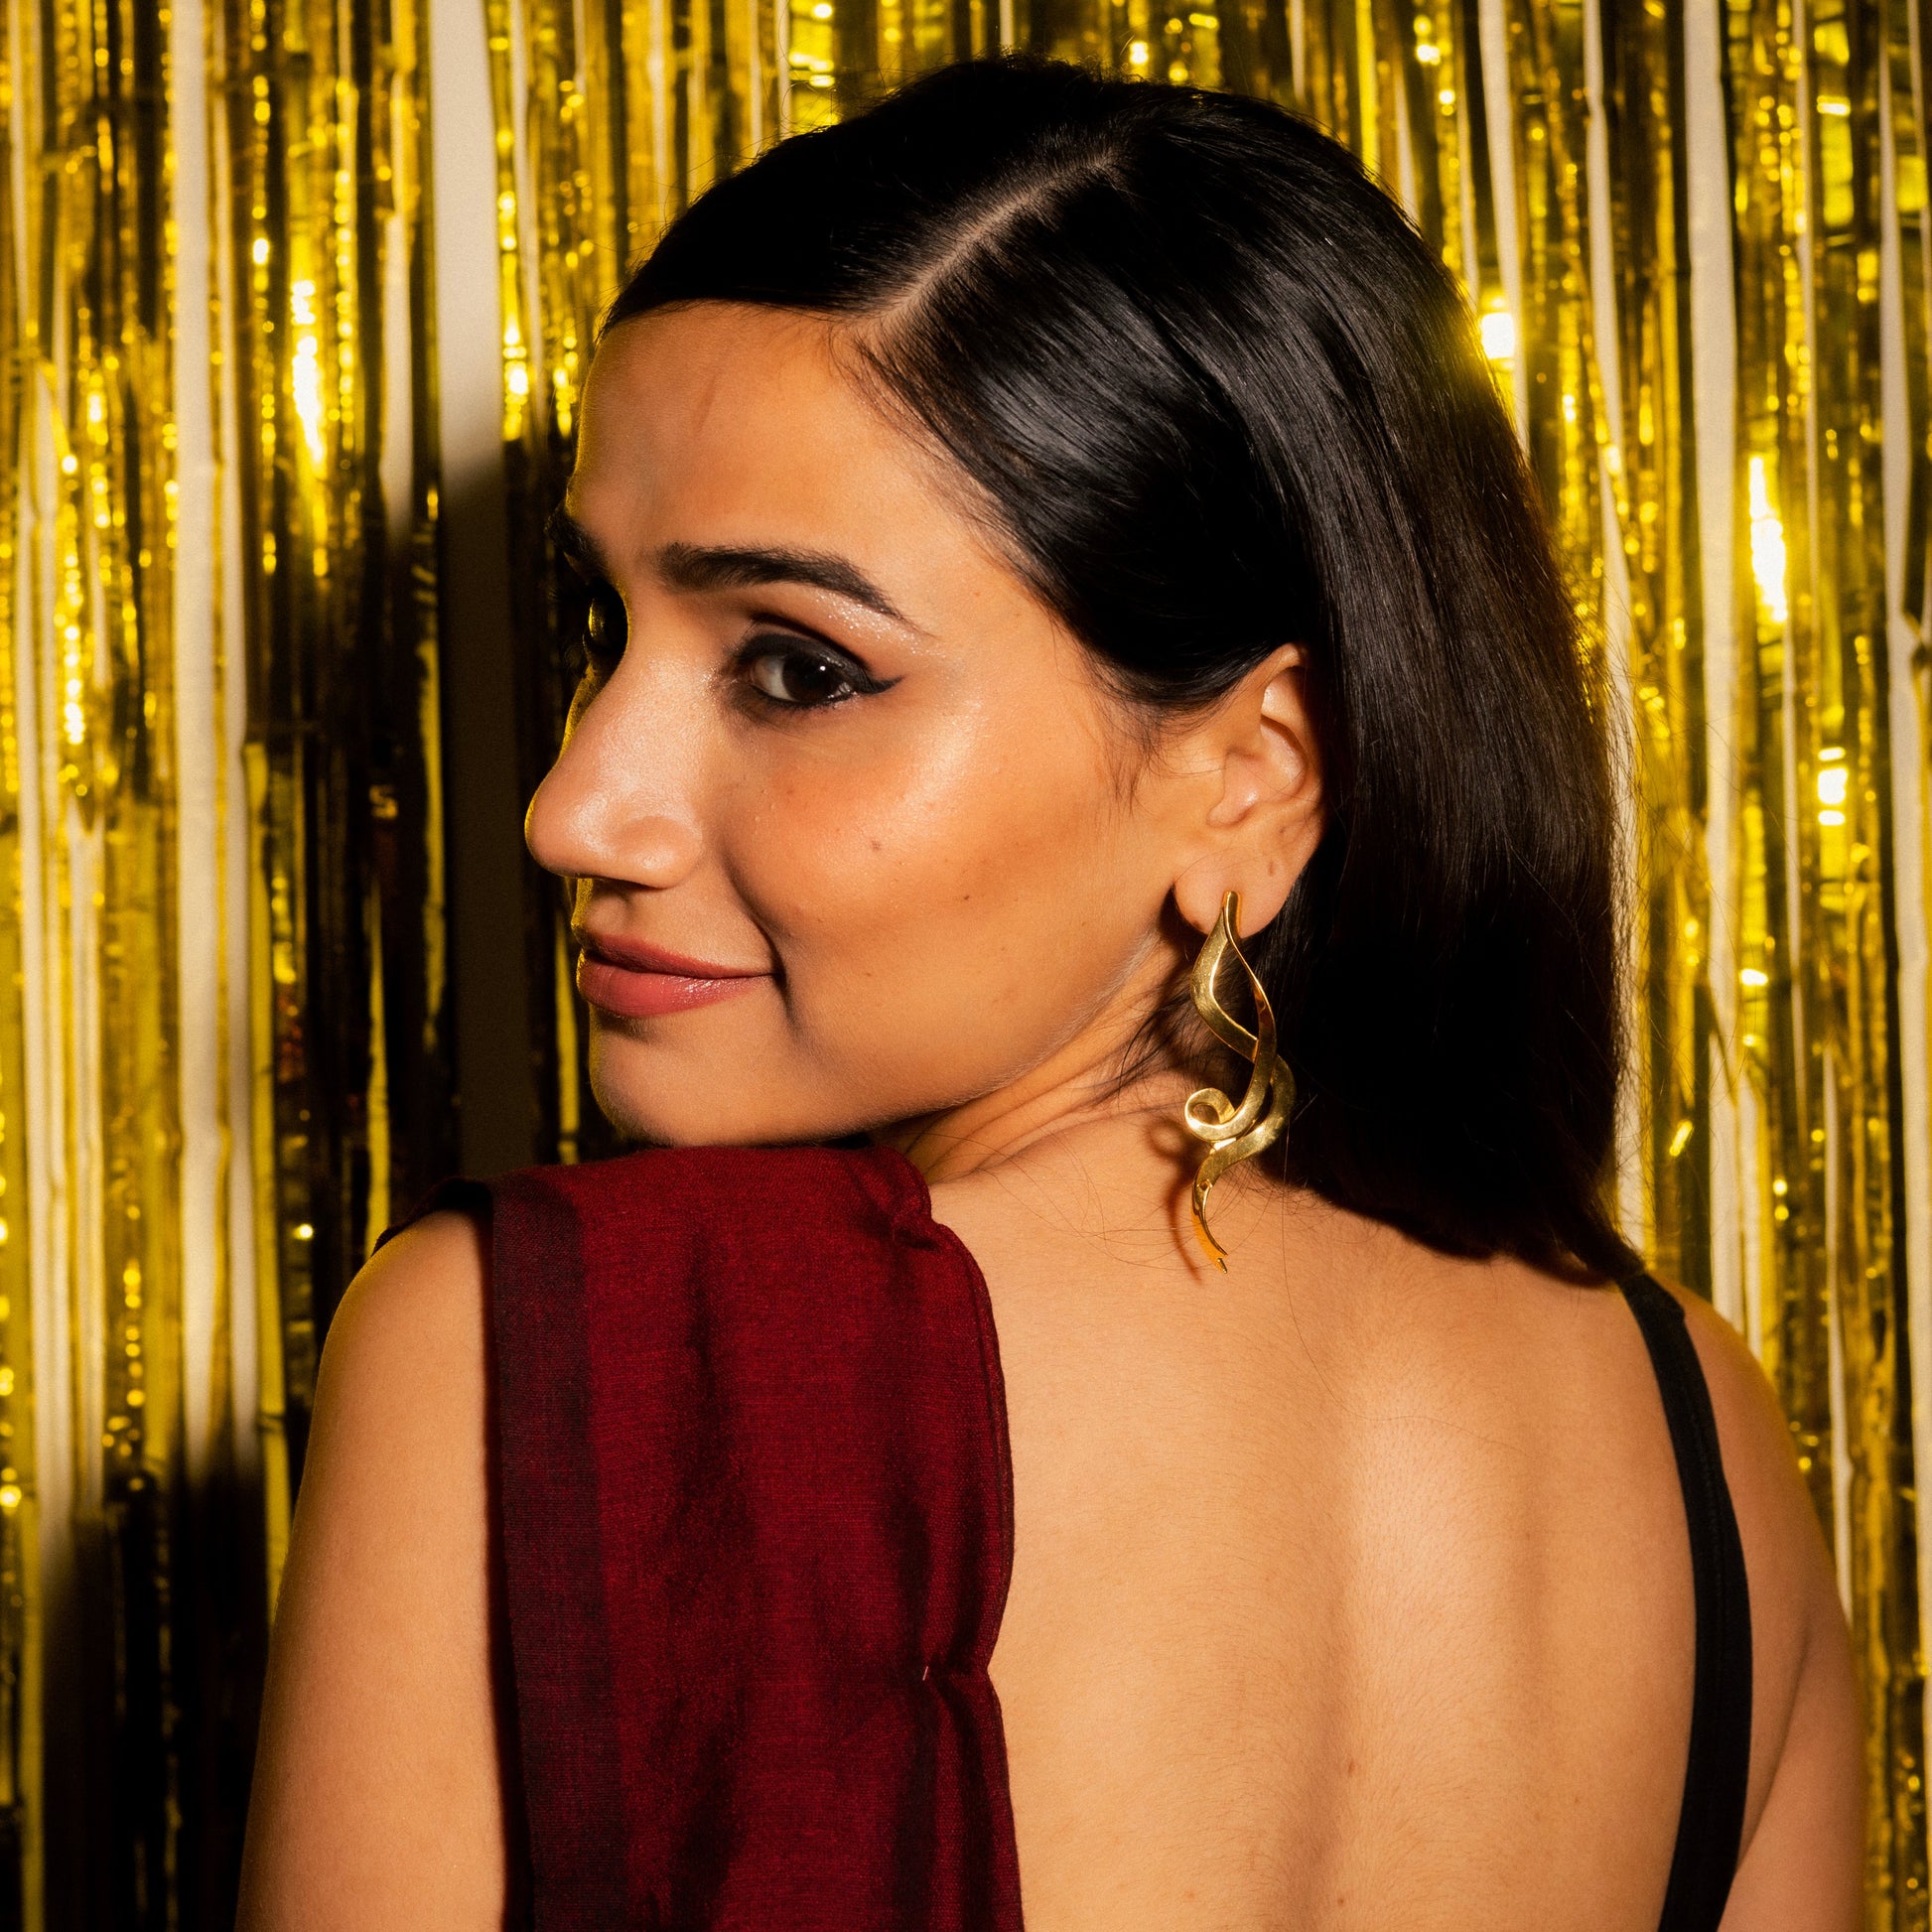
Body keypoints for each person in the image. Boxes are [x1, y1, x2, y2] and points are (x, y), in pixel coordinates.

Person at [234, 56, 1861, 1932]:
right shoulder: (1704, 1440)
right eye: (610, 629)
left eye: (795, 667)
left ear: (1247, 774)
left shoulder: (542, 1344)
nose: (571, 804)